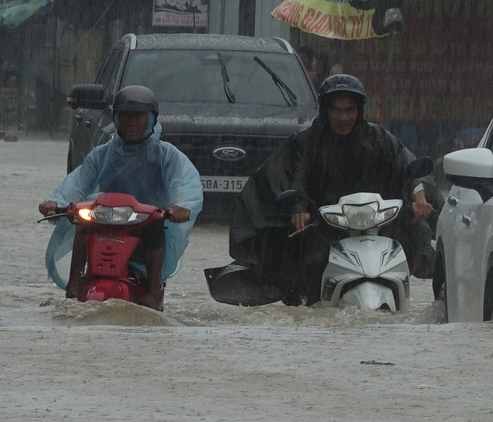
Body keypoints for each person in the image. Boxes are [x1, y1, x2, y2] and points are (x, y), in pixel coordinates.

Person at [227, 74, 435, 305]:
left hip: (376, 222)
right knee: (306, 253)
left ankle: (407, 286)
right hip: (325, 225)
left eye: (350, 110)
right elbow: (296, 178)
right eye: (336, 110)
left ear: (360, 110)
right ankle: (310, 301)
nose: (343, 117)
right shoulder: (307, 141)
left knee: (421, 231)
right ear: (325, 110)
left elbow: (408, 165)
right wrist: (299, 209)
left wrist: (420, 199)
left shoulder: (378, 137)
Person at [39, 85, 200, 310]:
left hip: (145, 222)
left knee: (155, 231)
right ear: (115, 118)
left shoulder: (166, 155)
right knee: (83, 223)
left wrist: (180, 206)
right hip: (104, 221)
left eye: (138, 117)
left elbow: (184, 182)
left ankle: (153, 293)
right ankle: (74, 286)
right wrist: (56, 203)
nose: (131, 123)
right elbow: (76, 184)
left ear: (151, 119)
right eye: (125, 116)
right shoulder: (101, 154)